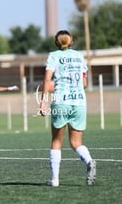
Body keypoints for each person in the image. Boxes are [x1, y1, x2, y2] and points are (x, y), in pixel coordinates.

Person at [39, 30, 96, 187]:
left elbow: (47, 79)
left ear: (57, 43)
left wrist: (43, 102)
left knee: (57, 141)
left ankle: (55, 180)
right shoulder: (79, 56)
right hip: (79, 102)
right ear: (71, 42)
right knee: (76, 142)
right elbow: (84, 84)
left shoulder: (54, 56)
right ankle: (89, 161)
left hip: (61, 101)